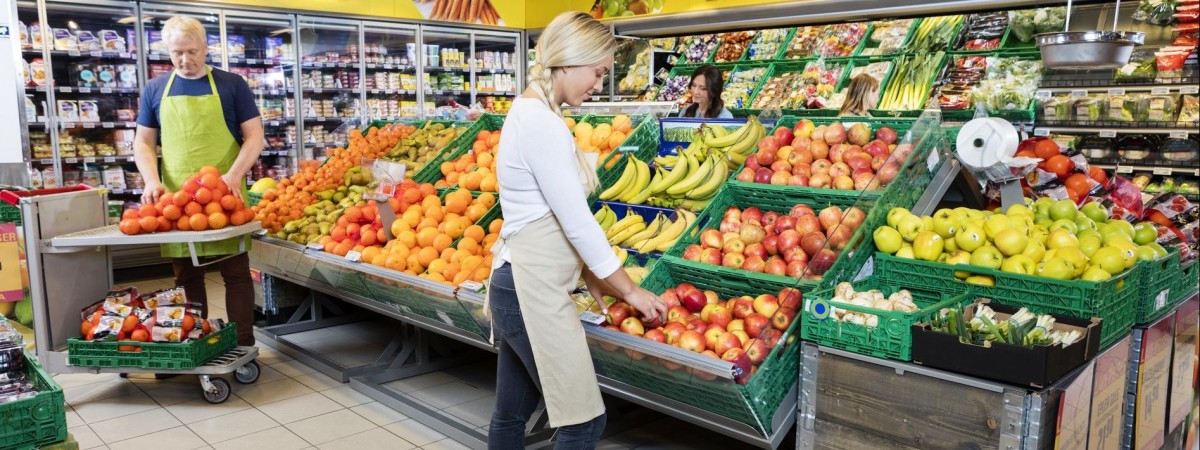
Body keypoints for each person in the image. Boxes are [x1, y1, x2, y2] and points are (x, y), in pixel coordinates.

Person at [487, 11, 667, 449]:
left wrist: (589, 278)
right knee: (583, 423)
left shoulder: (532, 112)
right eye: (598, 72)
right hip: (531, 288)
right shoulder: (541, 123)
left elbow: (545, 216)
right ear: (568, 61)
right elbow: (577, 222)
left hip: (518, 281)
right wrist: (629, 290)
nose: (598, 84)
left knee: (512, 416)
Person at [133, 16, 264, 348]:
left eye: (192, 52)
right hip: (178, 200)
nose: (185, 60)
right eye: (177, 53)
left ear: (206, 48)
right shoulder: (155, 89)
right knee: (186, 277)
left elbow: (255, 138)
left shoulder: (232, 85)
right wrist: (150, 179)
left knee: (236, 274)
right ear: (167, 51)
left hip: (226, 196)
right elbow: (143, 143)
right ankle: (195, 344)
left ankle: (243, 344)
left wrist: (234, 174)